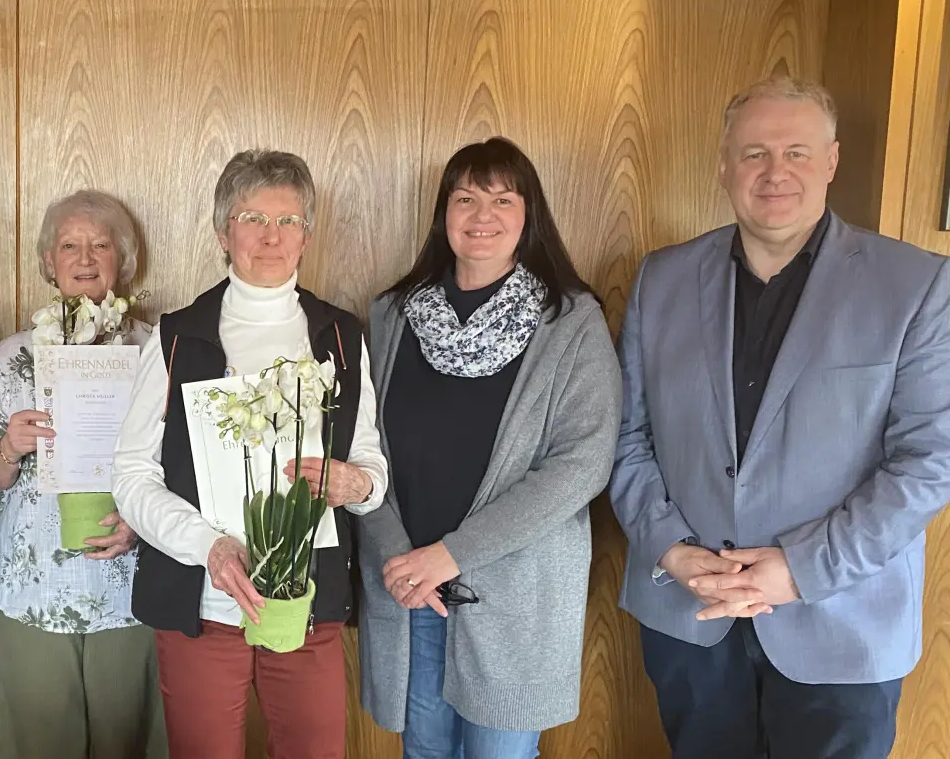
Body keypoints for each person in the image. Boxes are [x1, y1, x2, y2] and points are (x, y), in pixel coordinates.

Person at [608, 76, 950, 759]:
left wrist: (800, 569)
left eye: (797, 153)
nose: (774, 173)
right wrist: (672, 550)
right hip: (690, 615)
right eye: (755, 152)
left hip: (840, 624)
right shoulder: (662, 279)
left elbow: (929, 460)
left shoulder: (916, 285)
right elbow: (625, 437)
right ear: (723, 165)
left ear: (831, 161)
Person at [113, 149, 390, 759]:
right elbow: (131, 476)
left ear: (307, 238)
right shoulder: (177, 336)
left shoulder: (341, 336)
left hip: (307, 604)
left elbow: (373, 471)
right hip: (202, 604)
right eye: (252, 218)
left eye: (288, 221)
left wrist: (354, 485)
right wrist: (206, 547)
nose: (271, 236)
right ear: (222, 232)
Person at [355, 138, 621, 759]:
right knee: (425, 749)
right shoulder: (394, 315)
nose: (482, 215)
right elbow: (364, 447)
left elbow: (582, 463)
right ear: (443, 212)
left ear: (529, 217)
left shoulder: (570, 322)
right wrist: (402, 557)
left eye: (503, 199)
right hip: (410, 585)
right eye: (466, 197)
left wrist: (452, 555)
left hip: (514, 591)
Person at [0, 189, 167, 759]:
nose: (85, 258)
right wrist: (8, 446)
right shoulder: (12, 355)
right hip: (32, 581)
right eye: (69, 245)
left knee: (125, 736)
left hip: (128, 577)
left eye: (100, 245)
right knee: (39, 741)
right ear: (48, 262)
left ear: (122, 261)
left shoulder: (154, 348)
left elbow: (180, 468)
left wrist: (140, 522)